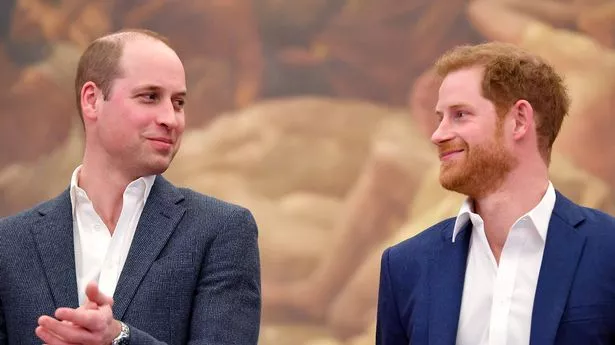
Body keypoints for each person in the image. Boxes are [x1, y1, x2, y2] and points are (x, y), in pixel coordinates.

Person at [0, 29, 261, 344]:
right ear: (92, 100)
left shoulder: (221, 231)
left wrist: (118, 338)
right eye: (150, 97)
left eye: (178, 102)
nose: (171, 118)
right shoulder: (9, 244)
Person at [376, 42, 615, 344]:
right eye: (440, 118)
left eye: (460, 114)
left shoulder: (608, 249)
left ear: (519, 121)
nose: (438, 135)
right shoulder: (405, 264)